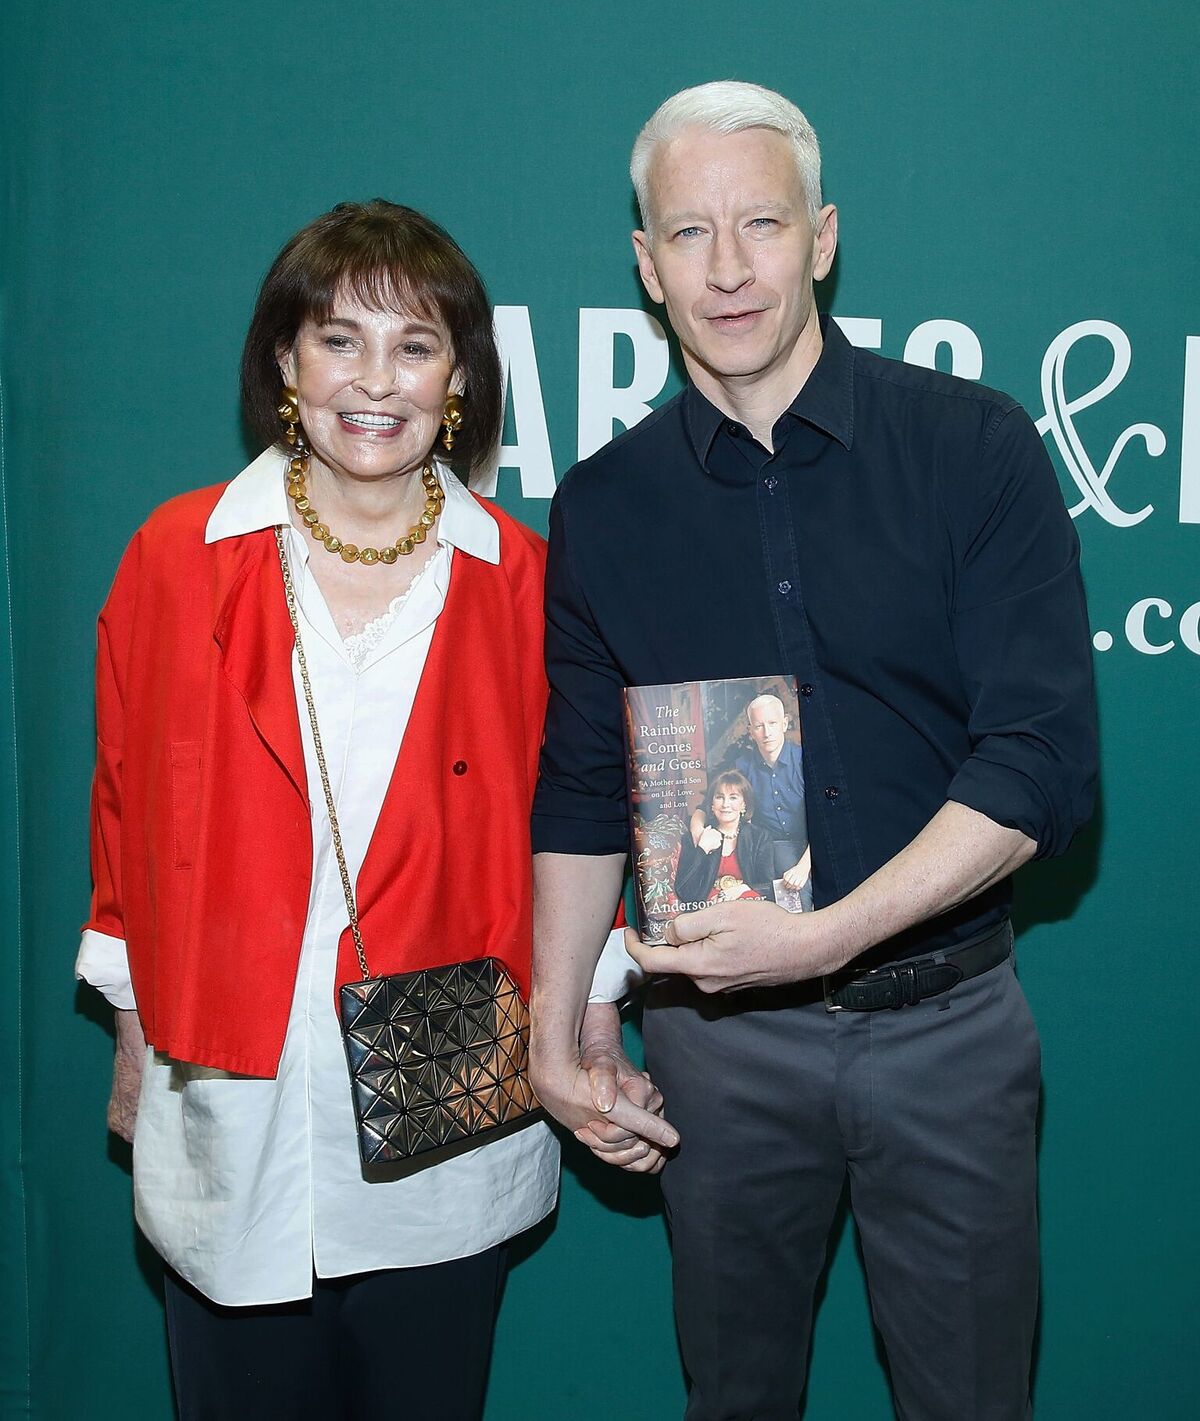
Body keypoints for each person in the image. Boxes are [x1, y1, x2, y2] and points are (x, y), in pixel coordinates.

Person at [529, 81, 1098, 1420]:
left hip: (951, 1033)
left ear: (824, 237)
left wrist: (831, 933)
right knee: (735, 1398)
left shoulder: (977, 449)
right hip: (721, 1055)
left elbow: (1039, 764)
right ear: (644, 265)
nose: (728, 269)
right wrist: (562, 1025)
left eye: (762, 224)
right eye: (688, 234)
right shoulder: (605, 508)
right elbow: (583, 786)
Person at [77, 199, 586, 1420]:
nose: (376, 381)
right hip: (232, 1101)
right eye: (338, 340)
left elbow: (568, 824)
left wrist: (589, 1026)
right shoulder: (177, 552)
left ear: (459, 377)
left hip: (446, 1102)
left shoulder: (523, 582)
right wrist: (137, 1024)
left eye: (415, 346)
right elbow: (125, 803)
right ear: (283, 363)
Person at [687, 692, 812, 904]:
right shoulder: (742, 767)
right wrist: (698, 833)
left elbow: (828, 820)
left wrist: (803, 867)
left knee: (801, 887)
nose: (767, 732)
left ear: (785, 723)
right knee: (791, 895)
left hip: (813, 843)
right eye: (759, 726)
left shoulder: (805, 760)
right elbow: (705, 807)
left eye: (772, 723)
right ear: (750, 731)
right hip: (771, 846)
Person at [674, 771, 773, 907]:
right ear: (712, 805)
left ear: (744, 804)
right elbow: (684, 892)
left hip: (748, 903)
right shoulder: (693, 837)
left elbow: (768, 885)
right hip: (710, 907)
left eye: (733, 798)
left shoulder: (760, 837)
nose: (725, 804)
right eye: (720, 797)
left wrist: (743, 888)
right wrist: (702, 850)